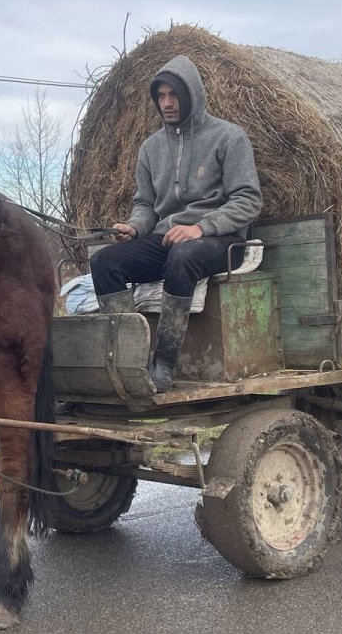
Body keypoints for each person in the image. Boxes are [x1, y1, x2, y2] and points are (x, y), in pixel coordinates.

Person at [90, 54, 263, 391]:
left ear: (192, 95)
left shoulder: (229, 137)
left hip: (222, 240)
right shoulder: (150, 148)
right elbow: (145, 204)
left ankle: (163, 364)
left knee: (183, 256)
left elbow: (248, 200)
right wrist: (136, 227)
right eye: (161, 96)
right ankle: (133, 360)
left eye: (174, 95)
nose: (166, 103)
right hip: (167, 238)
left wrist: (201, 227)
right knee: (104, 262)